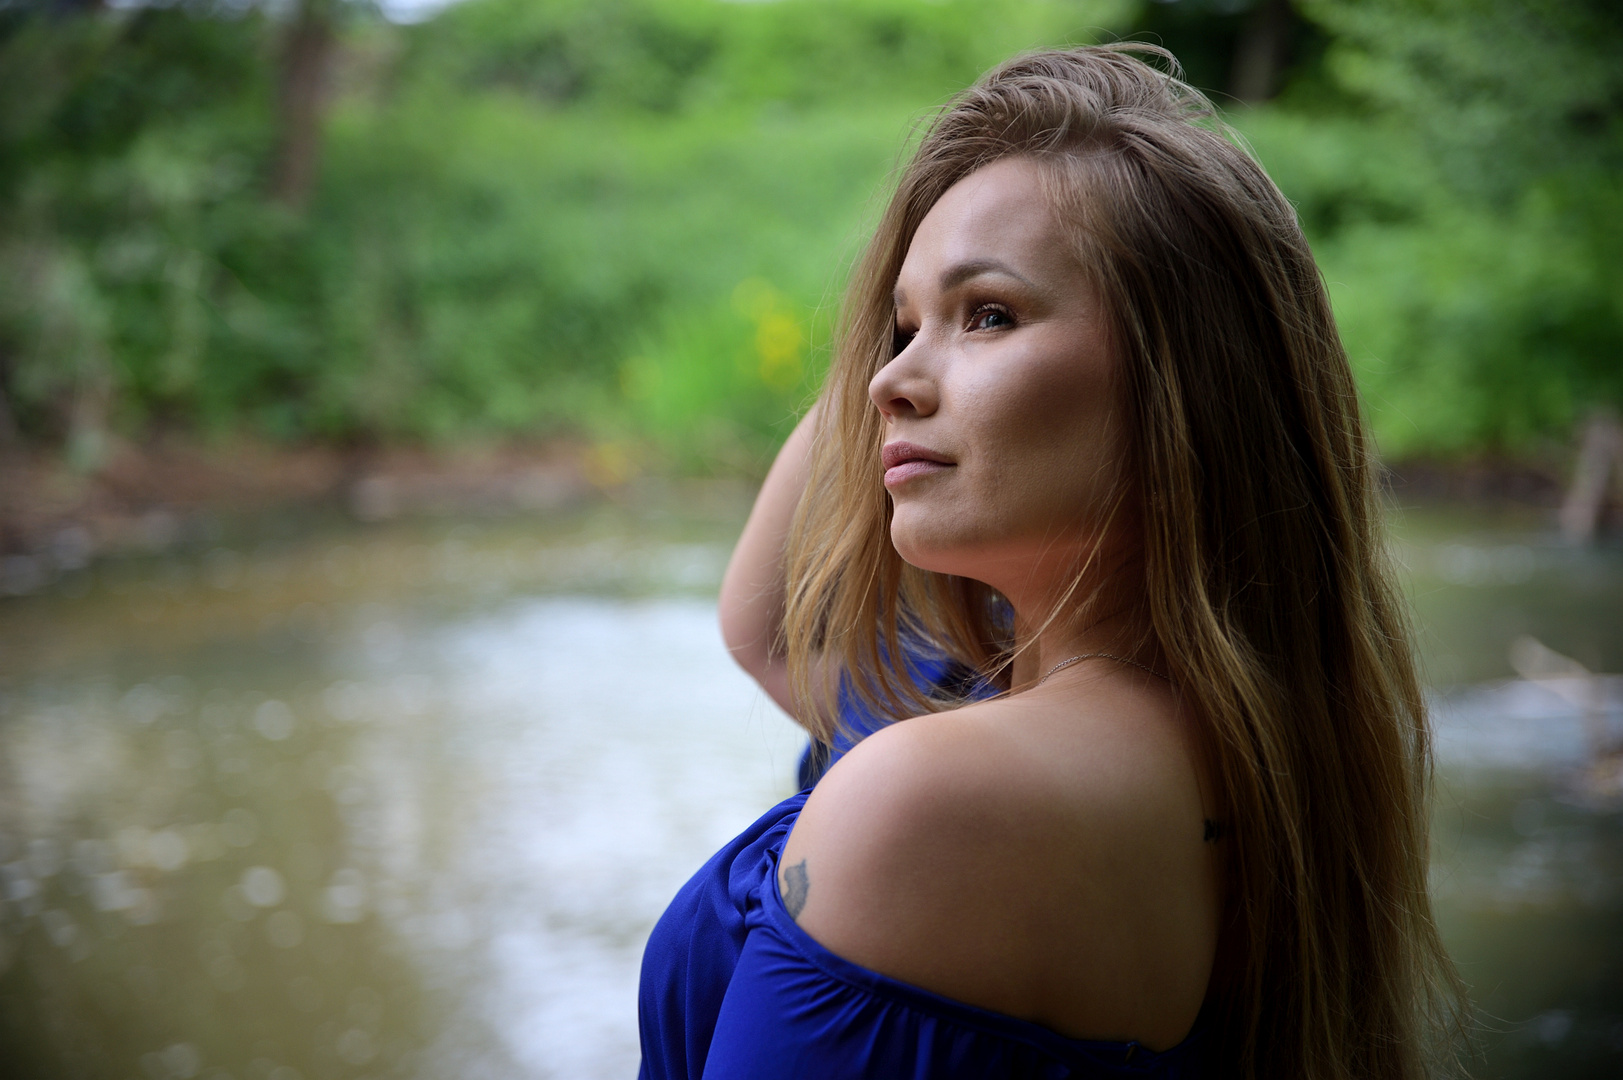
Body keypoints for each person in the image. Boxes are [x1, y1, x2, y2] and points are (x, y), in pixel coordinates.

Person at [640, 44, 1463, 1080]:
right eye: (898, 330)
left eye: (991, 314)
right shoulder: (1266, 758)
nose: (884, 382)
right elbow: (766, 632)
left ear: (1187, 400)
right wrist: (931, 310)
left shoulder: (934, 799)